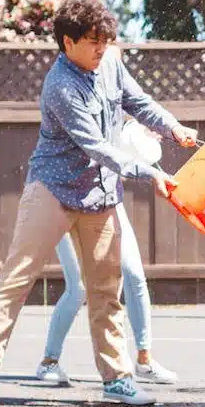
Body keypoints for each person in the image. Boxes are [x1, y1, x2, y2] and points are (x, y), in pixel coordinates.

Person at [0, 0, 197, 407]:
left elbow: (136, 101)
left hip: (99, 194)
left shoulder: (111, 62)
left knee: (106, 289)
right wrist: (150, 173)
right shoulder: (60, 86)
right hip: (52, 188)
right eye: (92, 40)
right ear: (68, 43)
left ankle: (117, 379)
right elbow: (98, 146)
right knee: (16, 278)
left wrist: (174, 127)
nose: (101, 47)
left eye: (105, 38)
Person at [35, 121, 177, 386]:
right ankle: (48, 362)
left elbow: (139, 127)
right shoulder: (78, 108)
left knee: (134, 275)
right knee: (77, 288)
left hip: (106, 202)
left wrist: (160, 130)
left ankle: (144, 360)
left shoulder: (121, 106)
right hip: (65, 198)